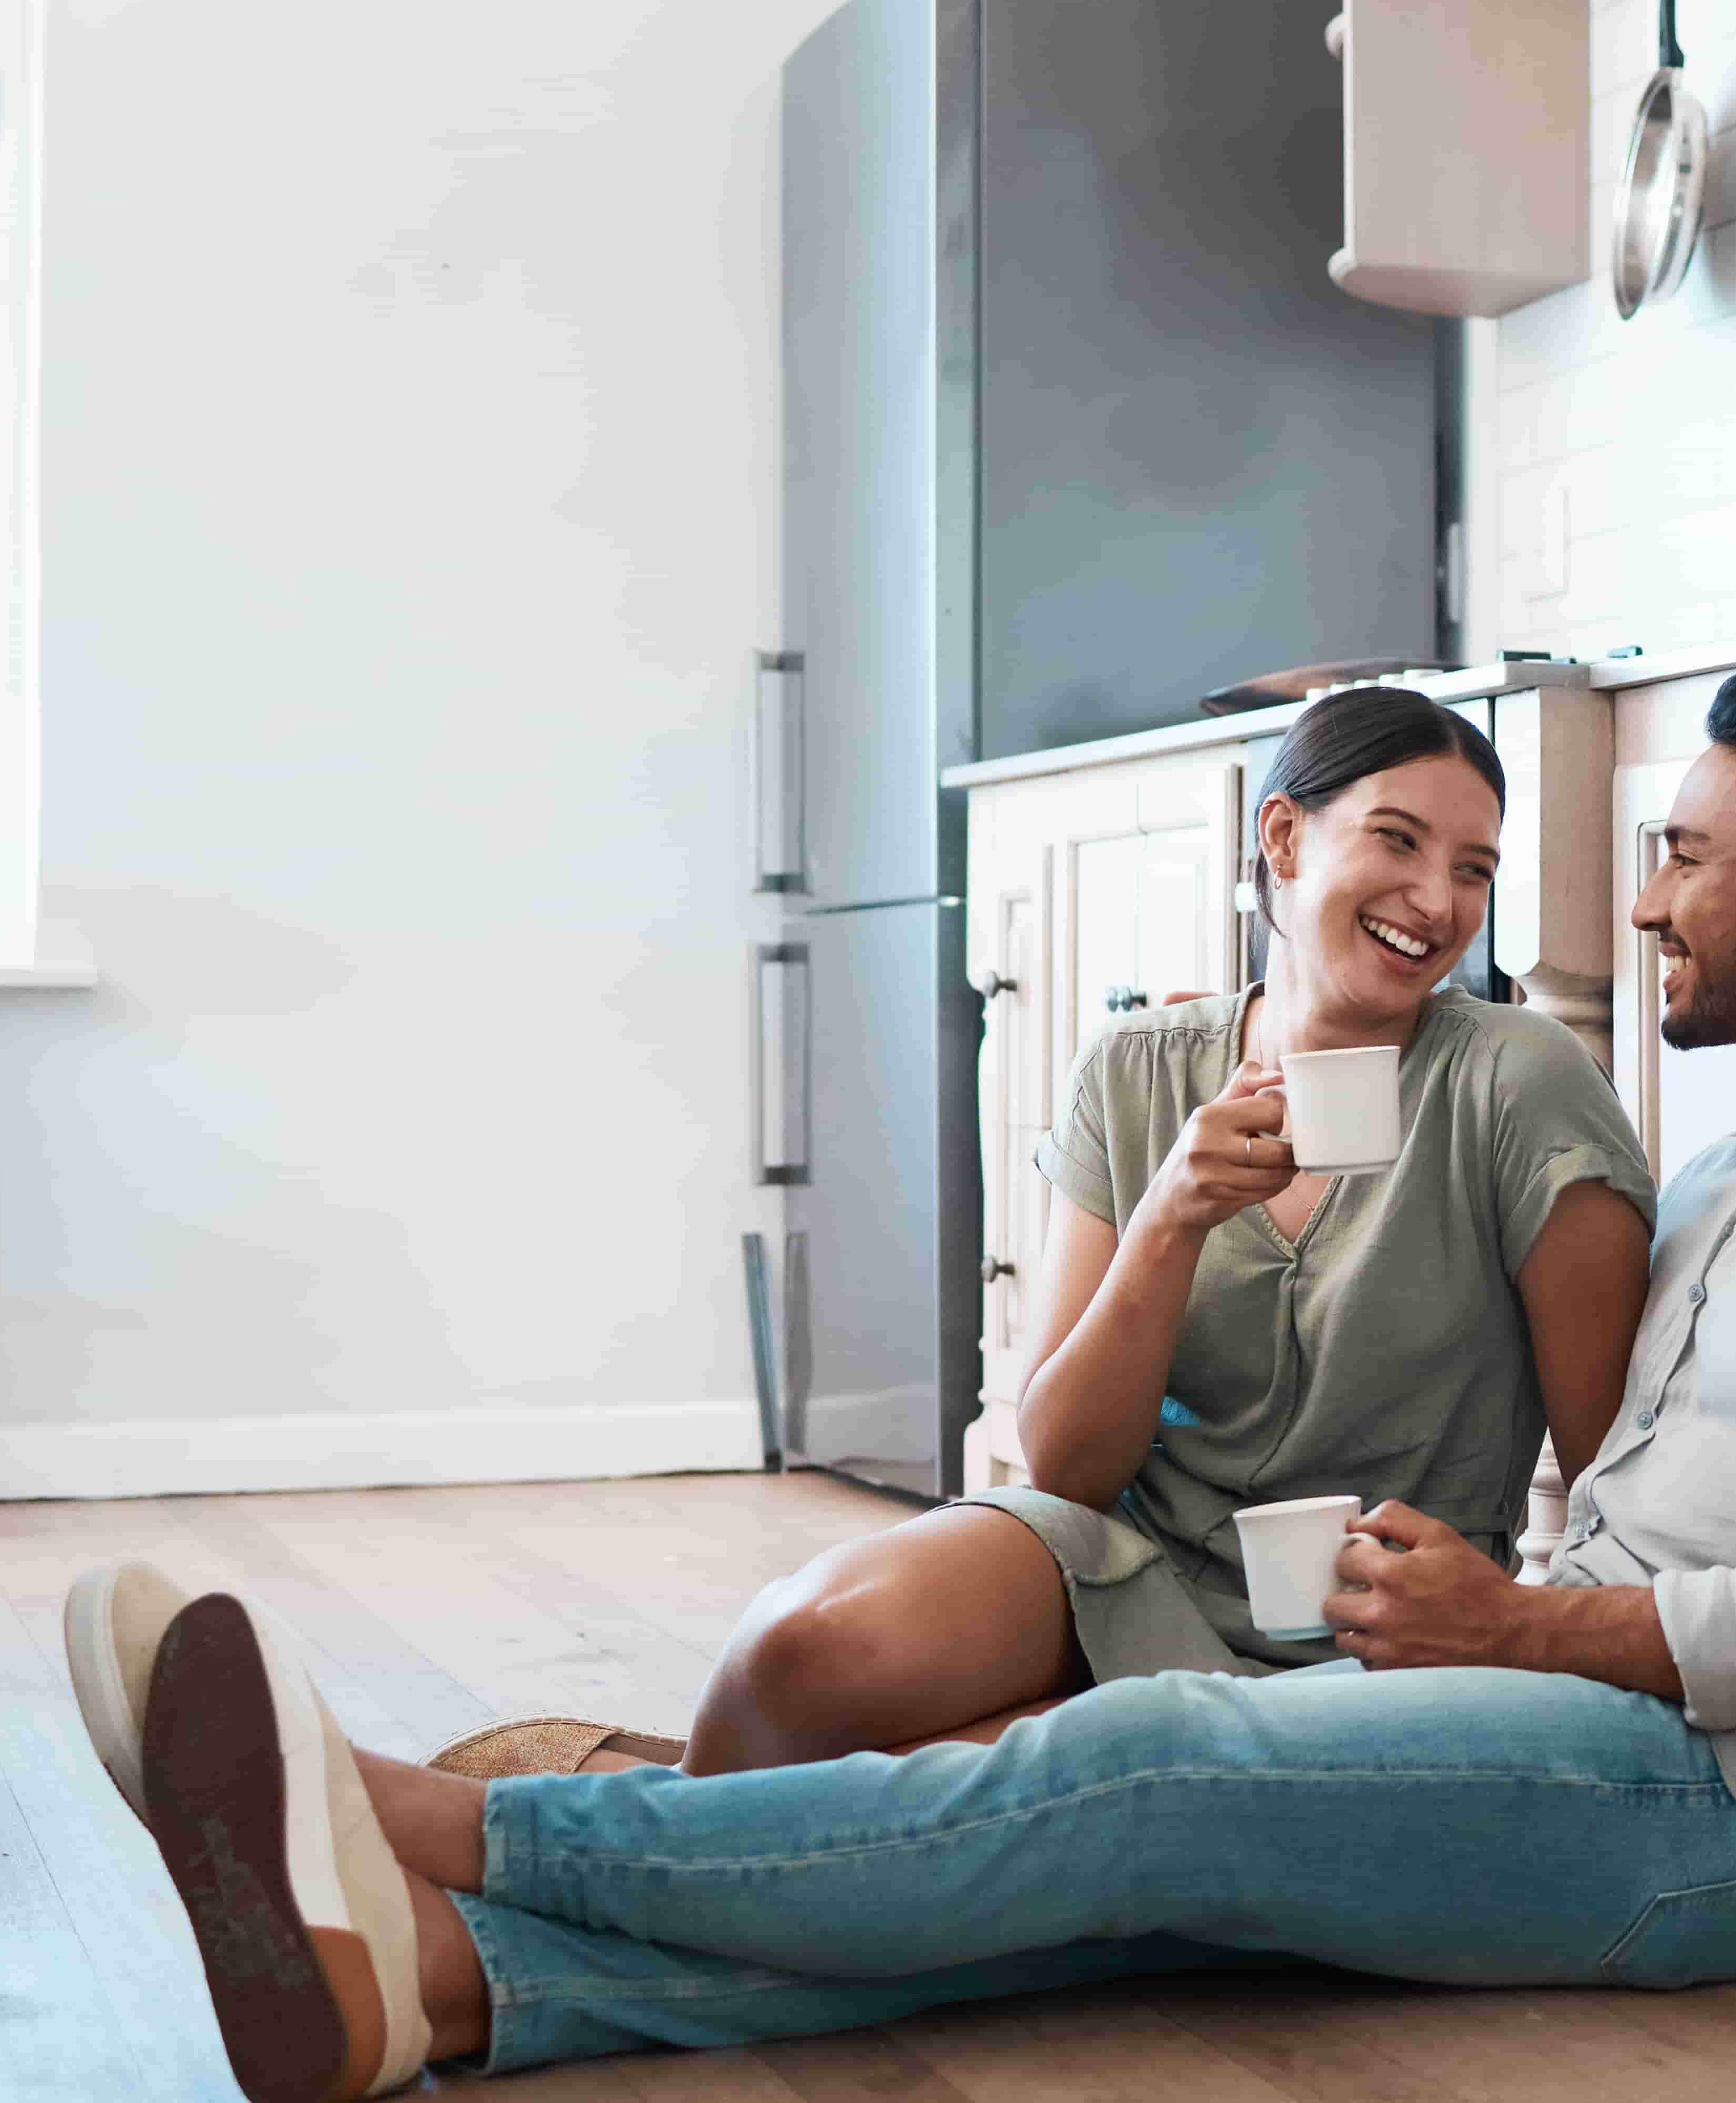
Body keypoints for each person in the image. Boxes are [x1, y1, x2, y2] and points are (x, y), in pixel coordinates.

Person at [70, 663, 1736, 2100]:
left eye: (1682, 853)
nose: (1645, 893)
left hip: (1711, 1817)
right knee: (1098, 1895)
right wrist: (1519, 1628)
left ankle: (432, 1819)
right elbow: (1655, 1517)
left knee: (1137, 1777)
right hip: (1582, 1712)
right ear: (1284, 842)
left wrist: (1598, 1659)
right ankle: (438, 1988)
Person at [365, 683, 1658, 1783]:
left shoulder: (1517, 1080)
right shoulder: (1137, 1071)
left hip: (1385, 1622)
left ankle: (574, 1828)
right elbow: (1065, 1466)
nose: (1436, 901)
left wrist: (1553, 1658)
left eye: (1474, 870)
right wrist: (1168, 1218)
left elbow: (1613, 1469)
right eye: (1398, 843)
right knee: (802, 1647)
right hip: (1124, 1558)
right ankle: (645, 1830)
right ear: (1282, 837)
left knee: (974, 1783)